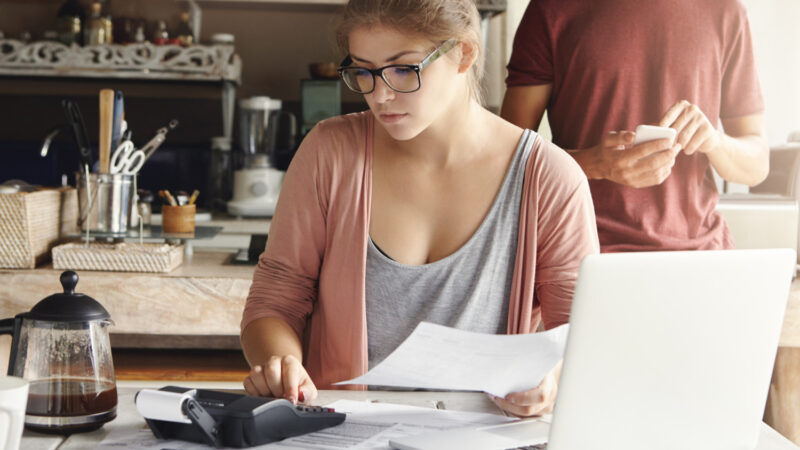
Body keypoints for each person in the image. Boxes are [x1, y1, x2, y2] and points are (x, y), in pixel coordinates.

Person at [240, 0, 598, 417]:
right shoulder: (328, 153)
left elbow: (578, 336)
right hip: (338, 435)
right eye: (364, 71)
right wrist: (283, 364)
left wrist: (548, 381)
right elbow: (274, 303)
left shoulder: (550, 177)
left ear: (464, 52)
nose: (381, 94)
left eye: (403, 69)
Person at [501, 0, 769, 252]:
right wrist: (593, 164)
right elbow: (505, 161)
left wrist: (714, 141)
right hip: (583, 251)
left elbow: (757, 166)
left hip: (700, 254)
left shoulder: (725, 10)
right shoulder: (551, 8)